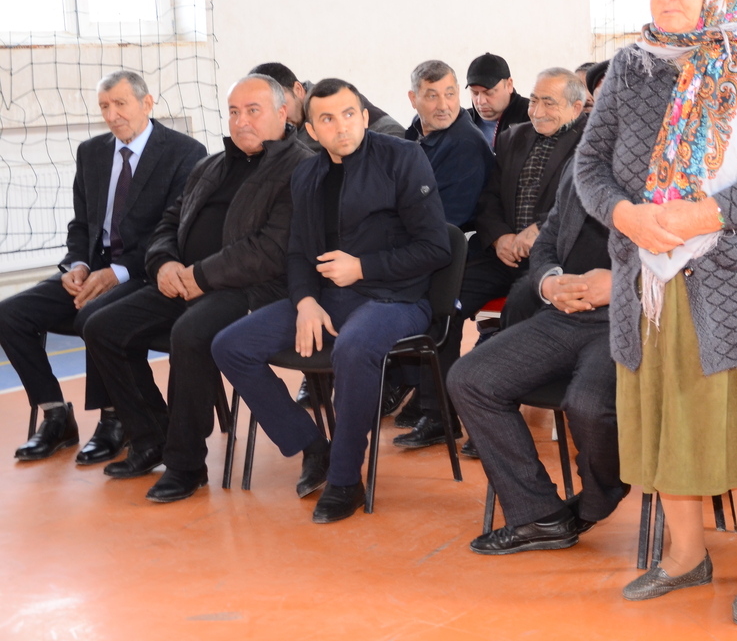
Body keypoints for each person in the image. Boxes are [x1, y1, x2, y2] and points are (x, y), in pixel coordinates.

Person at [574, 0, 737, 626]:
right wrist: (626, 216)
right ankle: (684, 556)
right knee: (664, 418)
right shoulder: (630, 66)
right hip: (648, 281)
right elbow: (588, 167)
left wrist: (706, 213)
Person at [212, 78, 451, 523]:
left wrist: (363, 267)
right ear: (311, 130)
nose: (341, 126)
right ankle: (312, 446)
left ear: (364, 116)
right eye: (327, 119)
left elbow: (436, 248)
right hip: (328, 298)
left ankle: (345, 480)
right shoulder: (307, 175)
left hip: (396, 299)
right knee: (230, 346)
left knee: (354, 347)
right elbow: (299, 253)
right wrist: (305, 301)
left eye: (349, 114)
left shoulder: (403, 157)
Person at [81, 74, 313, 499]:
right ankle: (151, 437)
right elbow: (169, 223)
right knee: (101, 327)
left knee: (190, 333)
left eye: (253, 111)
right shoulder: (211, 165)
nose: (241, 121)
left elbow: (270, 250)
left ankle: (186, 464)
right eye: (234, 112)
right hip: (186, 282)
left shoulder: (301, 167)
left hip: (254, 290)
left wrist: (199, 276)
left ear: (283, 113)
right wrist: (164, 263)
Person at [0, 71, 205, 463]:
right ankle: (56, 416)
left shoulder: (185, 153)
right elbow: (81, 224)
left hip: (146, 272)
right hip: (93, 269)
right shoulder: (92, 152)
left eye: (120, 104)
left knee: (95, 314)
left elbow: (175, 233)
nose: (112, 115)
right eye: (104, 107)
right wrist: (77, 265)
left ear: (147, 103)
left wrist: (118, 273)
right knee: (9, 315)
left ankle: (114, 419)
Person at [394, 68, 588, 447]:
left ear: (577, 107)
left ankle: (495, 420)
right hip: (502, 253)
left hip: (554, 260)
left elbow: (585, 201)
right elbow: (489, 198)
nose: (537, 110)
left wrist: (541, 230)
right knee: (443, 299)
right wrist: (500, 236)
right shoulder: (514, 138)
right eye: (534, 100)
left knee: (517, 309)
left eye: (549, 103)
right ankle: (439, 415)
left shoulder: (591, 146)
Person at [449, 164, 625, 553]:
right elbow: (547, 239)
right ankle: (540, 515)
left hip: (633, 318)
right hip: (564, 311)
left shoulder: (678, 166)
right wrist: (549, 282)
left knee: (588, 403)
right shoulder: (584, 165)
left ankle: (601, 495)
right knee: (470, 379)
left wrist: (623, 284)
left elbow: (698, 258)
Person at [404, 59, 493, 228]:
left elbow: (444, 221)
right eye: (432, 96)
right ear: (413, 99)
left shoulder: (466, 146)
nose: (443, 106)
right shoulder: (418, 126)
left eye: (449, 94)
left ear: (458, 92)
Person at [252, 62, 404, 147]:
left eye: (280, 103)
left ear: (298, 90)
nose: (279, 115)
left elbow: (394, 133)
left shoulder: (333, 97)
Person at [466, 53, 530, 148]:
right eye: (475, 93)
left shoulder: (532, 116)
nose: (481, 101)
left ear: (509, 85)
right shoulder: (462, 121)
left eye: (489, 93)